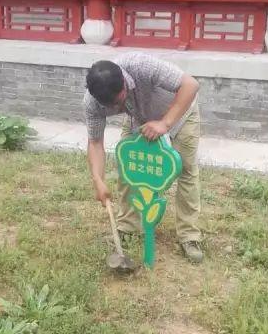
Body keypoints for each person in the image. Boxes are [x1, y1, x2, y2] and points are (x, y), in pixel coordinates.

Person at [84, 52, 203, 263]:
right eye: (110, 107)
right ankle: (127, 226)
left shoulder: (141, 66)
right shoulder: (93, 102)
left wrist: (165, 123)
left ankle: (189, 236)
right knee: (128, 167)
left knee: (185, 171)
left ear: (124, 83)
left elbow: (191, 85)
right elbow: (95, 143)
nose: (114, 108)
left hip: (179, 114)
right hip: (140, 120)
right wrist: (98, 180)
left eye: (118, 102)